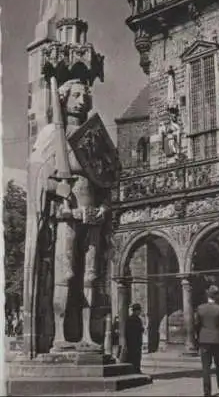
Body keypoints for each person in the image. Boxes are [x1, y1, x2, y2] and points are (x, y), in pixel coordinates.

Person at [24, 77, 112, 357]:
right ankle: (61, 335)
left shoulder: (93, 137)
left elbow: (106, 180)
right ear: (63, 99)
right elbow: (37, 175)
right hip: (66, 215)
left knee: (90, 276)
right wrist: (54, 187)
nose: (81, 100)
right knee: (66, 275)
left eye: (85, 94)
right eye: (75, 95)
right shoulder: (52, 133)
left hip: (92, 216)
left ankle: (88, 335)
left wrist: (104, 208)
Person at [195, 285, 219, 397]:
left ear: (207, 296)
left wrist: (198, 337)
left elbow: (196, 324)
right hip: (218, 340)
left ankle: (207, 391)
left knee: (206, 367)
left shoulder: (200, 308)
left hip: (204, 340)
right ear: (217, 296)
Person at [125, 303, 144, 373]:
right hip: (134, 341)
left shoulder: (131, 319)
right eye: (139, 310)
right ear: (136, 311)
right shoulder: (135, 319)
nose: (140, 312)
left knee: (134, 357)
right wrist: (141, 329)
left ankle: (135, 369)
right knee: (135, 357)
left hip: (133, 341)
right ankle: (136, 370)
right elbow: (136, 330)